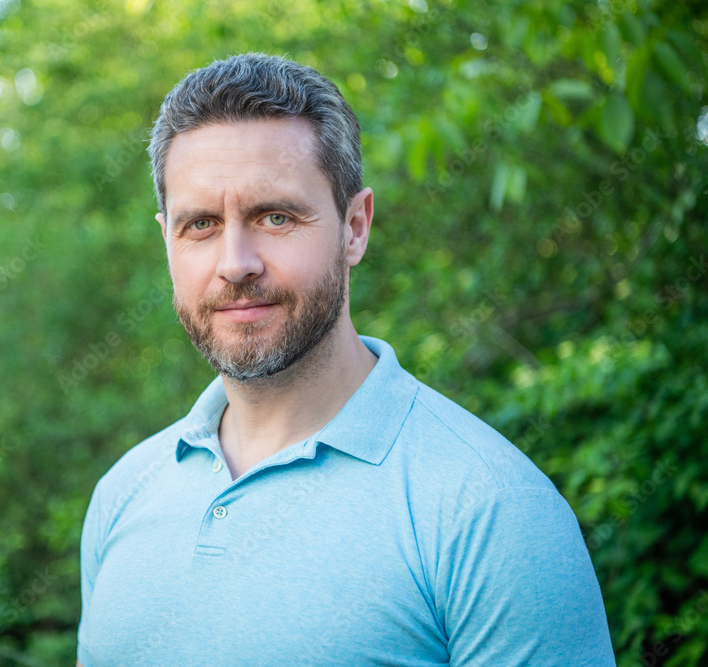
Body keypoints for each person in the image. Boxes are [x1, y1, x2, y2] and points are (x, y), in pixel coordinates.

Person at [76, 53, 615, 666]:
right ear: (166, 240)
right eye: (199, 224)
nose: (235, 263)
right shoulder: (124, 491)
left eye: (275, 217)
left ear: (354, 227)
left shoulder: (491, 509)